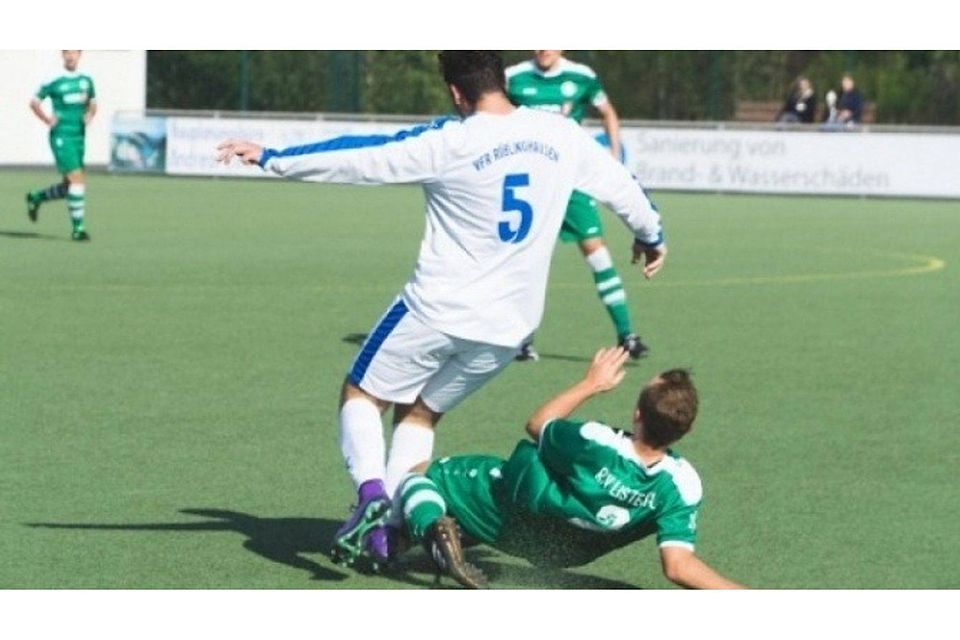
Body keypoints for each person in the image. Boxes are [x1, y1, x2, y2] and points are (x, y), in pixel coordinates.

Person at [215, 51, 667, 568]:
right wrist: (651, 236)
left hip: (436, 310)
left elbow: (361, 155)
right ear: (503, 80)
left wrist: (272, 156)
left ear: (456, 92)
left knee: (361, 393)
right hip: (508, 330)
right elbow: (622, 186)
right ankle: (386, 534)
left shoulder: (450, 139)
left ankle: (370, 494)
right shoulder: (560, 135)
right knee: (423, 412)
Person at [368, 347, 743, 589]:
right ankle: (419, 538)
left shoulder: (596, 442)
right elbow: (678, 566)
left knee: (424, 473)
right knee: (536, 491)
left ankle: (431, 527)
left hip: (511, 516)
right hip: (560, 551)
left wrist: (591, 384)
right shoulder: (682, 483)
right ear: (686, 429)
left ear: (637, 413)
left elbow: (538, 423)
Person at [505, 50, 648, 362]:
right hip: (529, 184)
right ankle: (521, 340)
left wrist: (614, 154)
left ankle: (627, 334)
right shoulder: (514, 77)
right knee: (526, 260)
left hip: (571, 182)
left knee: (597, 253)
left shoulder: (581, 76)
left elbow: (608, 111)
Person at [26, 50, 96, 241]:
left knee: (69, 186)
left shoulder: (87, 80)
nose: (70, 56)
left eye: (74, 52)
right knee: (77, 180)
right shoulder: (54, 79)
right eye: (67, 52)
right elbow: (34, 102)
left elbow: (93, 103)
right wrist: (47, 119)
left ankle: (36, 198)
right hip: (61, 136)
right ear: (62, 55)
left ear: (80, 54)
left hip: (79, 136)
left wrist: (90, 115)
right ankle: (78, 229)